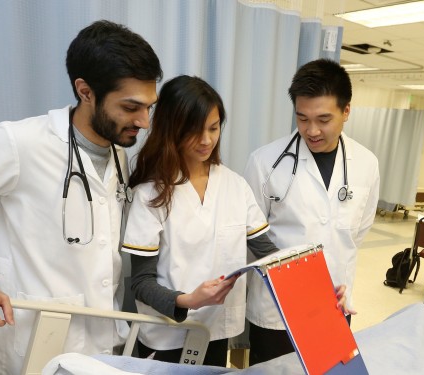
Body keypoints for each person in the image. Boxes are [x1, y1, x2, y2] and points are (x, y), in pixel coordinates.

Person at [0, 20, 161, 374]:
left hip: (101, 339)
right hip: (31, 343)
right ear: (85, 91)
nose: (144, 122)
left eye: (149, 107)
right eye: (131, 107)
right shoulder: (17, 143)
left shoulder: (119, 155)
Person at [121, 75, 281, 367]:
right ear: (172, 129)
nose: (207, 140)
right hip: (167, 332)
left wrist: (319, 289)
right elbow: (141, 283)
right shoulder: (150, 193)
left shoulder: (235, 185)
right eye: (195, 130)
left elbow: (269, 254)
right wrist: (189, 300)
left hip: (217, 331)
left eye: (214, 127)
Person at [242, 59, 381, 365]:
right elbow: (250, 235)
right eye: (302, 118)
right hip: (276, 310)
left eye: (323, 119)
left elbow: (358, 231)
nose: (312, 130)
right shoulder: (265, 162)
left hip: (335, 304)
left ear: (346, 111)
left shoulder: (366, 163)